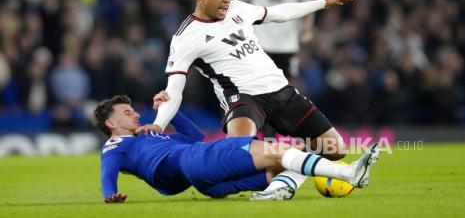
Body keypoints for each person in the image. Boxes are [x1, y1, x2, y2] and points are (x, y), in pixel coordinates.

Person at [150, 0, 354, 199]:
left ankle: (286, 172)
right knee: (238, 150)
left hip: (281, 91)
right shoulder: (186, 37)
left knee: (335, 149)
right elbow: (174, 90)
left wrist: (323, 2)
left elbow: (278, 13)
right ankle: (232, 183)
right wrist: (158, 125)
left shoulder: (237, 8)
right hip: (243, 98)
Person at [94, 95, 380, 203]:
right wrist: (110, 194)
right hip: (197, 161)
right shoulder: (118, 143)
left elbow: (194, 134)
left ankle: (279, 189)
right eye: (127, 113)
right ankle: (347, 172)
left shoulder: (152, 138)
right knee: (279, 149)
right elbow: (108, 171)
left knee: (281, 163)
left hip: (204, 182)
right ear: (111, 123)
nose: (135, 115)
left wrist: (168, 113)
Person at [237, 0, 315, 139]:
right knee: (258, 89)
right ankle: (265, 133)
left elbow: (307, 7)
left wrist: (307, 29)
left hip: (287, 45)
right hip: (258, 45)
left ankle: (285, 130)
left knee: (287, 90)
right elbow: (239, 8)